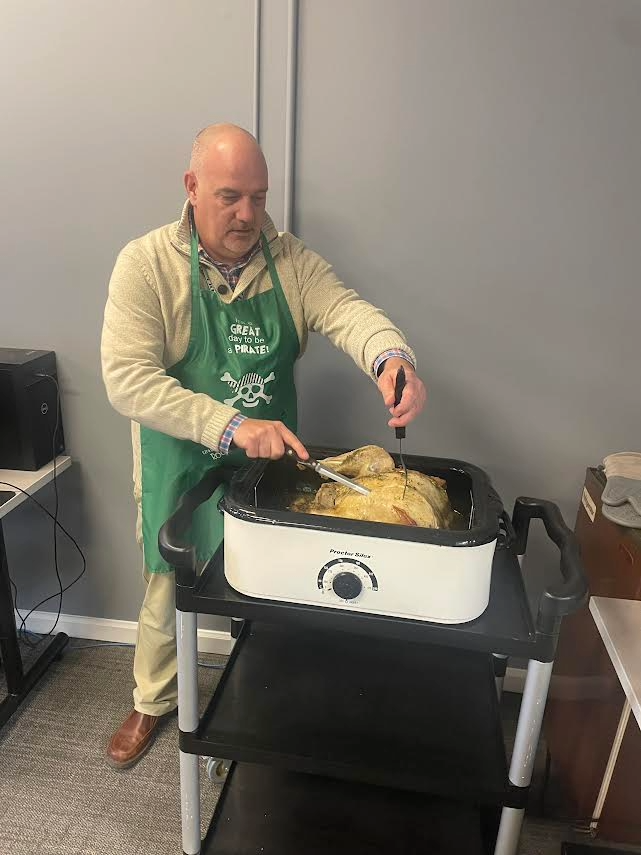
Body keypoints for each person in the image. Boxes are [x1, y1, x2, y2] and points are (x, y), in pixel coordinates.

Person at [101, 123, 426, 769]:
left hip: (268, 462)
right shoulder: (146, 264)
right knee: (169, 585)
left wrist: (392, 357)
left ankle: (260, 705)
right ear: (191, 187)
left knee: (267, 589)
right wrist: (228, 424)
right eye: (229, 196)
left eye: (258, 196)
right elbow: (127, 380)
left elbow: (347, 310)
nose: (247, 214)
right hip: (179, 456)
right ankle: (151, 699)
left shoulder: (291, 262)